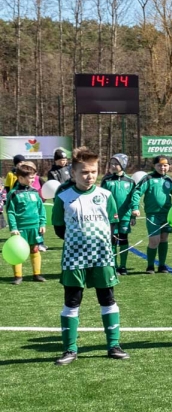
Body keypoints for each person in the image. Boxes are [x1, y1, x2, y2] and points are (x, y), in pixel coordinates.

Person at [51, 147, 127, 365]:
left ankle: (113, 345)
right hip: (74, 258)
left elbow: (113, 225)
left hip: (102, 257)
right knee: (72, 302)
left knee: (108, 299)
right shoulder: (64, 197)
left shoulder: (105, 195)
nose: (89, 176)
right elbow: (59, 229)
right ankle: (70, 350)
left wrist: (105, 242)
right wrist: (79, 242)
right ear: (73, 173)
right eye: (84, 172)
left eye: (93, 171)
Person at [5, 162, 46, 283]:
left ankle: (37, 274)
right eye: (30, 177)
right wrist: (13, 228)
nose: (33, 180)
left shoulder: (34, 192)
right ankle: (18, 276)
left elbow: (41, 209)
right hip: (21, 228)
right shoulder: (13, 194)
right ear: (21, 178)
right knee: (17, 251)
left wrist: (42, 223)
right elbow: (11, 212)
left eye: (34, 177)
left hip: (35, 227)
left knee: (35, 249)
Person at [133, 155, 172, 273]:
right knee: (154, 240)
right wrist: (135, 207)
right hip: (153, 215)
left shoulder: (169, 180)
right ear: (154, 166)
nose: (162, 168)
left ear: (169, 166)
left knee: (164, 239)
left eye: (165, 165)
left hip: (167, 215)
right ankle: (150, 265)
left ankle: (162, 265)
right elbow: (137, 192)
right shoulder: (148, 178)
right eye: (159, 165)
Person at [100, 154, 139, 276]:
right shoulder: (106, 181)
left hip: (125, 217)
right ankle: (113, 265)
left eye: (116, 163)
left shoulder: (130, 181)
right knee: (112, 241)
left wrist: (133, 215)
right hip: (110, 217)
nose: (113, 166)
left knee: (123, 239)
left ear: (123, 165)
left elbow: (134, 199)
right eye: (111, 163)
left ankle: (123, 266)